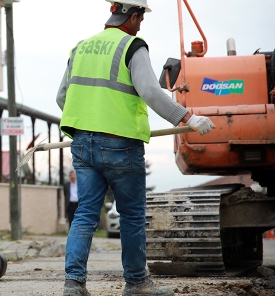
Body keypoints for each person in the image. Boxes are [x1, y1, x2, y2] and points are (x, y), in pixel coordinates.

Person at [56, 1, 215, 295]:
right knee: (130, 215)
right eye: (141, 17)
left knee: (86, 214)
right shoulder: (133, 45)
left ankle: (73, 284)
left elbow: (62, 97)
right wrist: (189, 118)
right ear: (133, 15)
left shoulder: (80, 48)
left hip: (82, 143)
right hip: (120, 144)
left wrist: (89, 121)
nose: (142, 24)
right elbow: (151, 91)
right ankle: (136, 283)